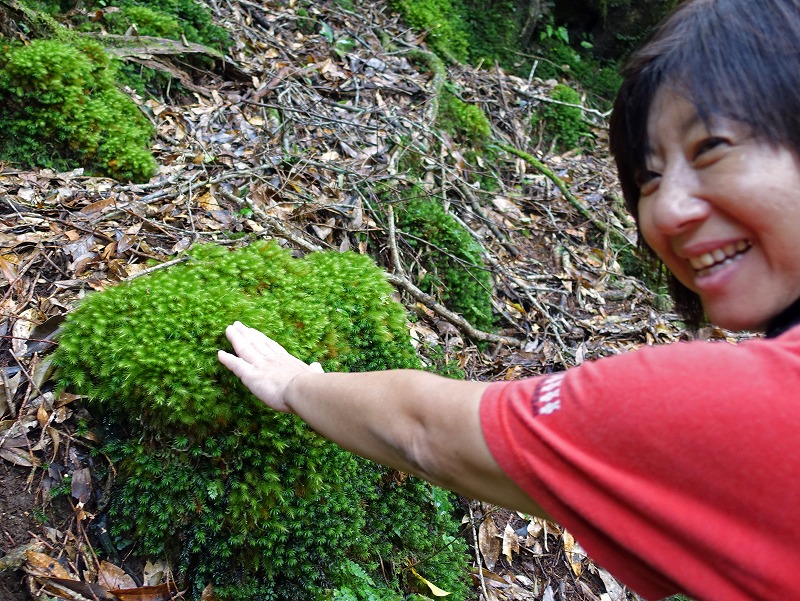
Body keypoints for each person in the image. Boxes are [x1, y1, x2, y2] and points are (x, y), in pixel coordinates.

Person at [218, 0, 800, 599]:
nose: (669, 210)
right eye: (648, 178)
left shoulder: (735, 403)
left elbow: (427, 434)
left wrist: (295, 386)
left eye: (712, 148)